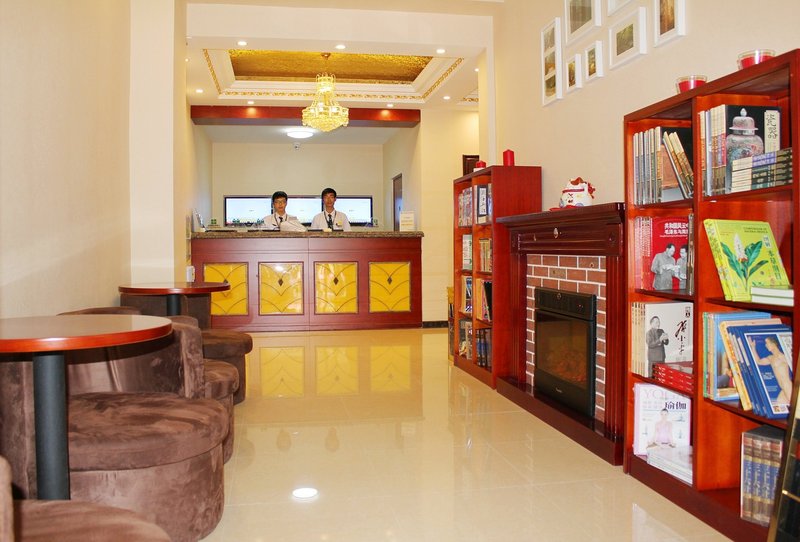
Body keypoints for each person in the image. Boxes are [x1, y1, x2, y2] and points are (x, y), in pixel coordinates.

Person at [750, 335, 793, 405]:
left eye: (767, 343)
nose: (766, 345)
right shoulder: (771, 358)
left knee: (795, 407)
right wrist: (753, 347)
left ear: (773, 344)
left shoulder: (784, 356)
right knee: (779, 403)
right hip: (782, 387)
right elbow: (759, 362)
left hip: (788, 386)